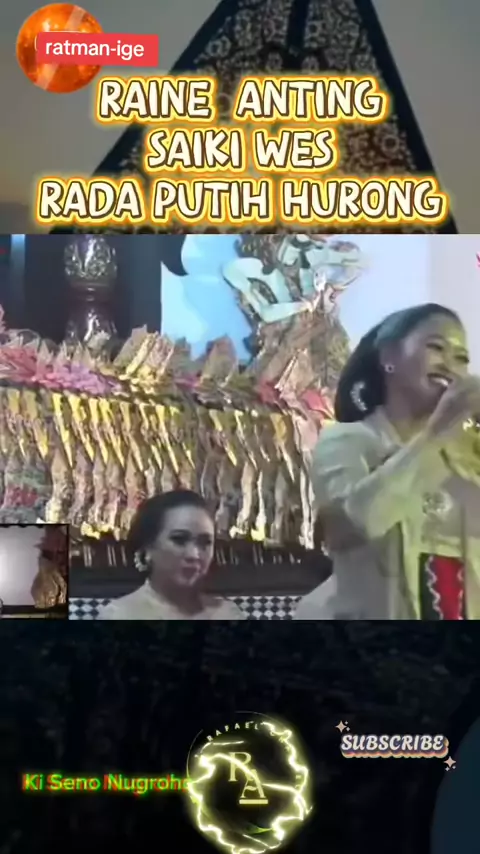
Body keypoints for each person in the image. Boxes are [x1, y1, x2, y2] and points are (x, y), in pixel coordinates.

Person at [294, 303, 480, 620]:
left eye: (461, 358)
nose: (450, 365)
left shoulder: (469, 454)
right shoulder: (346, 441)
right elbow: (348, 528)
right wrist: (437, 433)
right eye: (436, 348)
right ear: (389, 357)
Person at [97, 490, 247, 620]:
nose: (194, 555)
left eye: (205, 543)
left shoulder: (228, 614)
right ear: (148, 549)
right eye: (179, 540)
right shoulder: (119, 615)